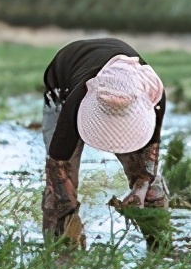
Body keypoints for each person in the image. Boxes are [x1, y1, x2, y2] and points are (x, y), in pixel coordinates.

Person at [41, 38, 167, 249]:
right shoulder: (75, 101)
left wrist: (141, 187)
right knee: (60, 188)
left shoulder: (152, 94)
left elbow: (149, 158)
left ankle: (160, 246)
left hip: (131, 89)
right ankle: (62, 248)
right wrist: (66, 209)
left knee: (149, 186)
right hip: (63, 85)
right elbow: (58, 164)